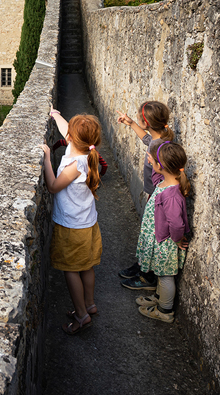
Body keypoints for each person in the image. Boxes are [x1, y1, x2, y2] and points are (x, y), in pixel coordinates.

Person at [42, 109, 102, 335]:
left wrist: (48, 158)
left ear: (70, 140)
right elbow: (67, 129)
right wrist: (55, 115)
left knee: (70, 269)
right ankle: (89, 304)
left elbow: (53, 186)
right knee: (86, 265)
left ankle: (81, 314)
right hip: (88, 222)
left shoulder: (74, 165)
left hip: (72, 226)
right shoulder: (87, 153)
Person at [116, 101, 175, 289]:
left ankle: (146, 276)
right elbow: (147, 140)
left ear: (147, 122)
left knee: (151, 235)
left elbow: (161, 174)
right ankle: (143, 265)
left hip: (157, 199)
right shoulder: (159, 141)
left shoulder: (158, 147)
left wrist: (154, 200)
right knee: (147, 233)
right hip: (155, 196)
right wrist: (132, 123)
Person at [134, 140, 190, 323]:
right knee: (160, 272)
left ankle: (165, 310)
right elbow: (156, 175)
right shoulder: (164, 182)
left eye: (153, 160)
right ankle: (159, 299)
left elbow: (176, 224)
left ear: (162, 166)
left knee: (165, 276)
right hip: (159, 239)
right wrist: (153, 157)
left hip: (166, 242)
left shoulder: (171, 195)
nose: (150, 161)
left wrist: (177, 239)